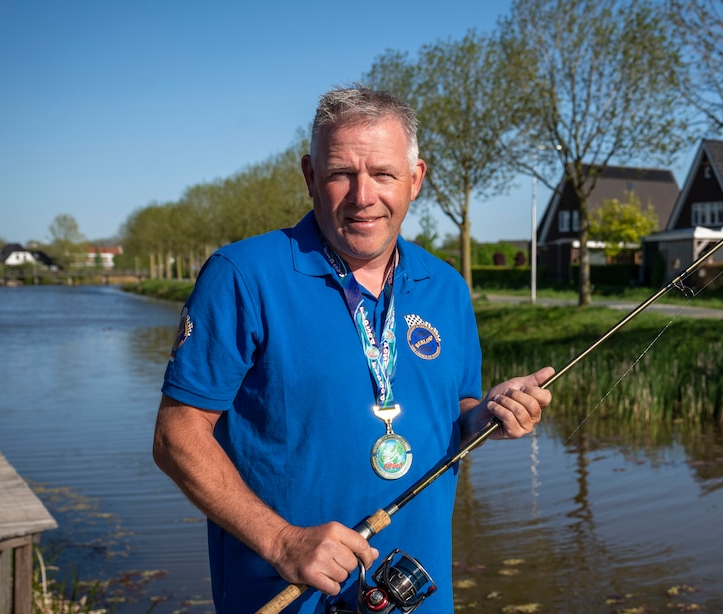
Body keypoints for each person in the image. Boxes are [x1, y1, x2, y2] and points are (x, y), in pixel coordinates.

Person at [152, 85, 554, 613]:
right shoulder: (243, 275)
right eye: (342, 173)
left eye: (384, 174)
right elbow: (176, 434)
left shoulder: (447, 287)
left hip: (417, 592)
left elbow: (453, 410)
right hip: (281, 594)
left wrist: (488, 416)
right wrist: (281, 541)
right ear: (310, 176)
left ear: (416, 180)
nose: (363, 196)